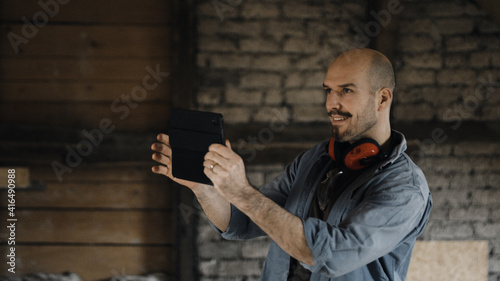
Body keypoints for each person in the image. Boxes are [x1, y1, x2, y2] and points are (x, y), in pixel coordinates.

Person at [151, 48, 432, 281]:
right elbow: (242, 223)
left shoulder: (404, 187)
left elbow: (330, 255)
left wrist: (242, 192)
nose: (331, 103)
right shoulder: (315, 159)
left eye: (346, 90)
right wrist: (205, 187)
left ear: (382, 98)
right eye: (328, 90)